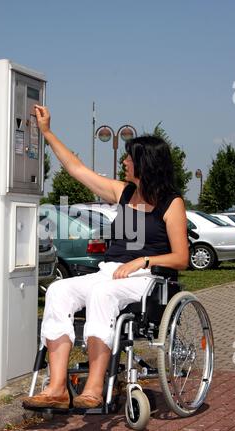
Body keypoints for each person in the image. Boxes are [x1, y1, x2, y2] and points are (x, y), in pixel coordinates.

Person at [23, 106, 189, 410]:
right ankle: (58, 387)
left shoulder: (171, 203)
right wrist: (47, 133)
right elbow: (77, 169)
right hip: (110, 272)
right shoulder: (124, 193)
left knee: (102, 293)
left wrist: (144, 261)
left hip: (146, 279)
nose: (124, 161)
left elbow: (181, 257)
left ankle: (95, 388)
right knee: (59, 290)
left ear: (145, 163)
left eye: (129, 158)